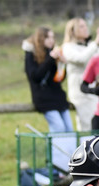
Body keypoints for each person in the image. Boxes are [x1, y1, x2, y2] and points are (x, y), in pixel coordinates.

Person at [25, 26, 76, 174]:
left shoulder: (53, 53)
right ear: (41, 39)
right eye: (48, 37)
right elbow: (36, 76)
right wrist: (50, 59)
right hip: (44, 99)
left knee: (69, 130)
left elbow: (57, 79)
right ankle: (58, 167)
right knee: (58, 129)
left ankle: (71, 165)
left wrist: (62, 64)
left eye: (53, 37)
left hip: (58, 98)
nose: (52, 40)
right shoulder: (31, 55)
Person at [60, 17, 99, 133]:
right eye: (81, 26)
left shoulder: (91, 46)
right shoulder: (68, 47)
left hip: (95, 90)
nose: (85, 28)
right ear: (72, 30)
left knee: (98, 126)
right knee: (87, 126)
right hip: (80, 93)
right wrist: (96, 42)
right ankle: (86, 150)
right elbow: (81, 59)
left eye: (85, 25)